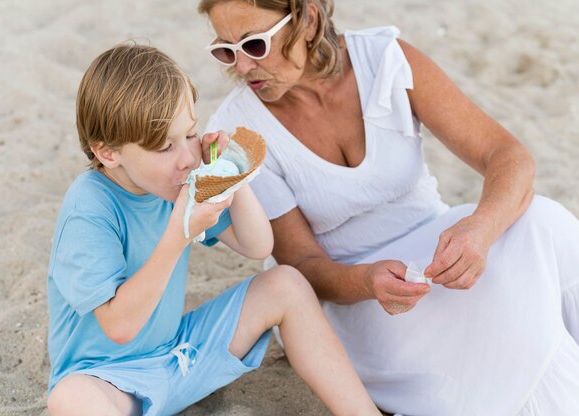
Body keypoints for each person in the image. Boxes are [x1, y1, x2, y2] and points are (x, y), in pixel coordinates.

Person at [198, 0, 579, 414]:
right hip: (356, 300)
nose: (242, 67)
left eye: (254, 45)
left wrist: (481, 228)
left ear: (308, 20)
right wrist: (368, 281)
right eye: (225, 50)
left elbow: (508, 156)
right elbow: (301, 264)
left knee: (542, 219)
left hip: (436, 248)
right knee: (516, 325)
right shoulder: (238, 132)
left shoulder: (385, 61)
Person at [45, 43, 382, 416]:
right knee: (69, 398)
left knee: (286, 283)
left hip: (180, 357)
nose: (188, 158)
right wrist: (178, 235)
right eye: (164, 148)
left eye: (190, 134)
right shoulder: (89, 207)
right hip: (109, 382)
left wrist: (232, 178)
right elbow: (120, 327)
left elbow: (257, 245)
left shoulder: (178, 183)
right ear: (108, 153)